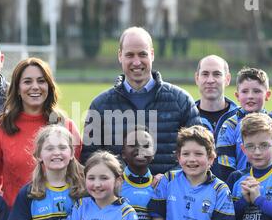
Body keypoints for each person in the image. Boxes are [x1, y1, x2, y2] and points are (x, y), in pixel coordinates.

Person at [81, 26, 201, 175]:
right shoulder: (100, 105)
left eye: (142, 54)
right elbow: (89, 158)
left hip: (169, 196)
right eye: (130, 55)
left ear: (152, 54)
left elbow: (199, 150)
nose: (137, 62)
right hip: (119, 196)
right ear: (120, 56)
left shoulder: (181, 101)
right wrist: (117, 180)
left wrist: (169, 179)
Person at [0, 57, 82, 208]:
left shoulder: (66, 126)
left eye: (41, 81)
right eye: (28, 81)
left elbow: (78, 177)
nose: (35, 87)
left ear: (49, 86)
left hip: (62, 218)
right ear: (17, 88)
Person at [148, 125, 235, 220]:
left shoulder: (220, 190)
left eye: (198, 154)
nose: (192, 159)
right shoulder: (168, 180)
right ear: (178, 157)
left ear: (211, 158)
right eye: (186, 154)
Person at [8, 125, 85, 220]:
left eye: (62, 147)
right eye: (49, 148)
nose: (56, 152)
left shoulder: (84, 191)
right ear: (39, 155)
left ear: (71, 154)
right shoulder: (29, 193)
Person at [215, 67, 272, 182]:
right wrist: (235, 185)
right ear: (237, 96)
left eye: (256, 91)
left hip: (270, 185)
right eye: (245, 91)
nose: (250, 96)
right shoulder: (230, 125)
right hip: (240, 186)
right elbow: (225, 165)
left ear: (268, 95)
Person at [120, 126, 156, 220]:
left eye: (146, 145)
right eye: (133, 144)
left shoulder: (161, 185)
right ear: (123, 154)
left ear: (153, 153)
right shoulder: (115, 184)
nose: (140, 149)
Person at [194, 55, 238, 140]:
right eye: (205, 74)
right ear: (197, 79)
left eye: (217, 74)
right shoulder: (187, 117)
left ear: (227, 79)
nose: (210, 80)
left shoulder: (240, 118)